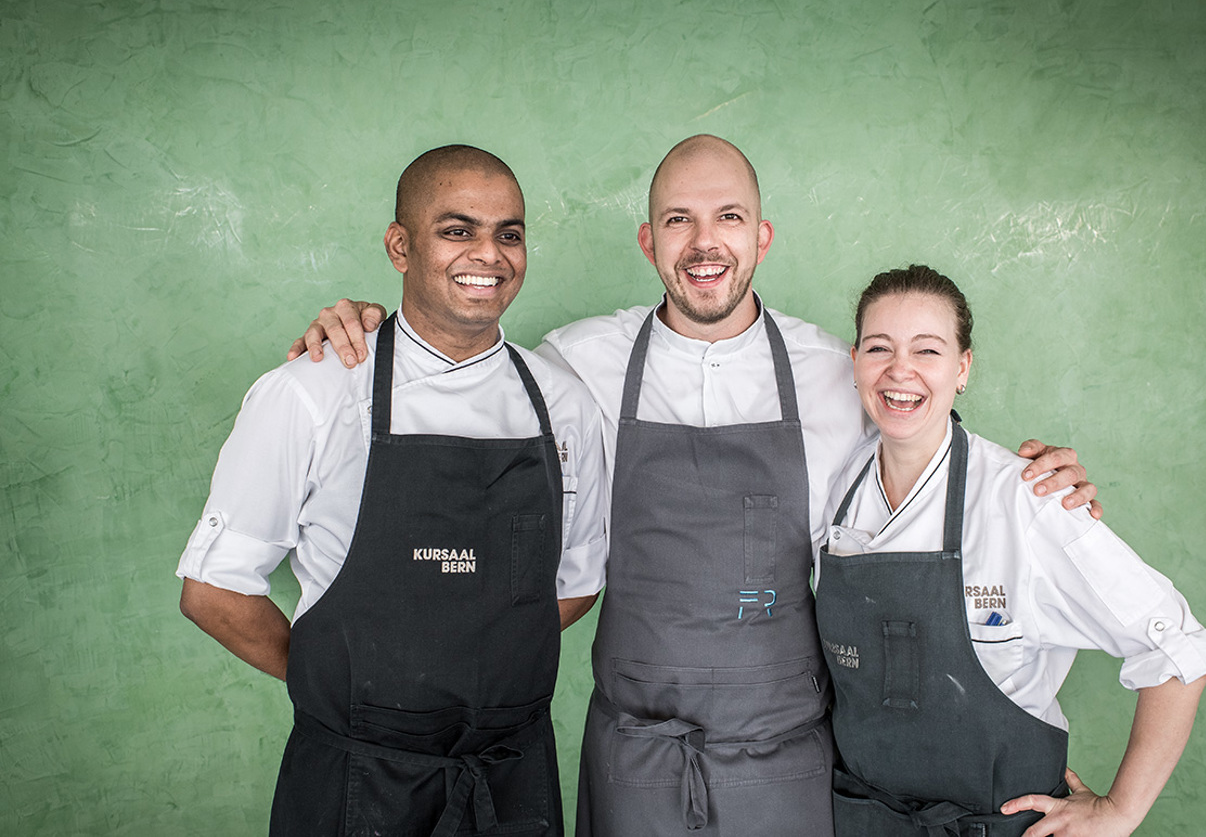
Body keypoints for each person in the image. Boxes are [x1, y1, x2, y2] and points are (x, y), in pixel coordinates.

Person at [290, 136, 1100, 836]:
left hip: (784, 753)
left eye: (729, 218)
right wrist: (370, 322)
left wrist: (1036, 482)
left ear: (763, 236)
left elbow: (924, 429)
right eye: (680, 219)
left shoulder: (833, 370)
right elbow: (463, 353)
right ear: (649, 240)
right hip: (635, 755)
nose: (704, 242)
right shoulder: (576, 364)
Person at [177, 145, 608, 836]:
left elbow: (576, 579)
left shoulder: (564, 404)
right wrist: (340, 687)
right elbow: (214, 590)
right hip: (354, 779)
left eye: (510, 233)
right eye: (457, 229)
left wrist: (466, 662)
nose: (489, 254)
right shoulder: (311, 392)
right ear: (400, 245)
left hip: (509, 780)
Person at [818, 264, 1206, 837]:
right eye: (879, 347)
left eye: (927, 351)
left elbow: (1178, 648)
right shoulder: (836, 486)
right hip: (863, 821)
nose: (899, 370)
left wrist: (1119, 811)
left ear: (963, 368)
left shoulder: (1027, 499)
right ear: (855, 360)